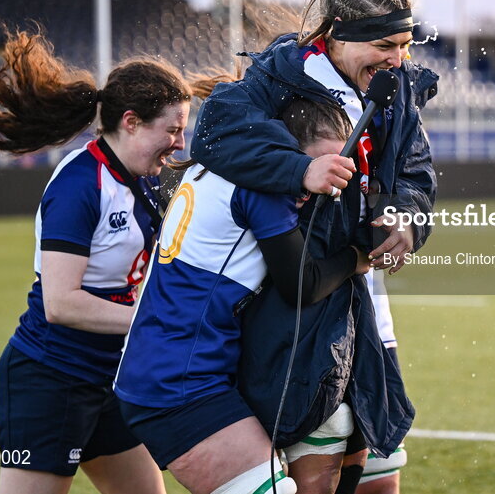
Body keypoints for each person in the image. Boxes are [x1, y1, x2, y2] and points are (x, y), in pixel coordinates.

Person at [190, 0, 439, 494]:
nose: (398, 59)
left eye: (405, 45)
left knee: (378, 477)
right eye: (385, 46)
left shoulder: (397, 90)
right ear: (338, 35)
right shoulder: (280, 79)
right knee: (315, 474)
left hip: (367, 303)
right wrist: (301, 170)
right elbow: (210, 136)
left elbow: (416, 170)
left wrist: (407, 217)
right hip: (300, 305)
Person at [0, 31, 194, 494]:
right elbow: (61, 304)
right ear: (130, 121)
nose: (179, 141)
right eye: (171, 129)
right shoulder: (79, 183)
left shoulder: (147, 179)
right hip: (51, 378)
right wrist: (156, 321)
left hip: (108, 378)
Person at [114, 98, 381, 494]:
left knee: (332, 426)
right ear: (286, 149)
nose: (331, 179)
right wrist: (356, 257)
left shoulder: (221, 164)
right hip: (176, 385)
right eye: (320, 163)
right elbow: (301, 284)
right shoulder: (265, 184)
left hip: (176, 372)